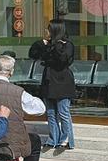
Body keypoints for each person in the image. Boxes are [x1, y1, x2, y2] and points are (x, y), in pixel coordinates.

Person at [29, 19, 76, 149]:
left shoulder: (67, 45)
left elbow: (62, 60)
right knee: (50, 112)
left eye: (49, 29)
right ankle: (53, 139)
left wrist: (55, 45)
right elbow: (33, 54)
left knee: (63, 112)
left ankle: (66, 139)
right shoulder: (47, 44)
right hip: (49, 80)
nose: (46, 31)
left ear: (55, 30)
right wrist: (41, 43)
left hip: (63, 81)